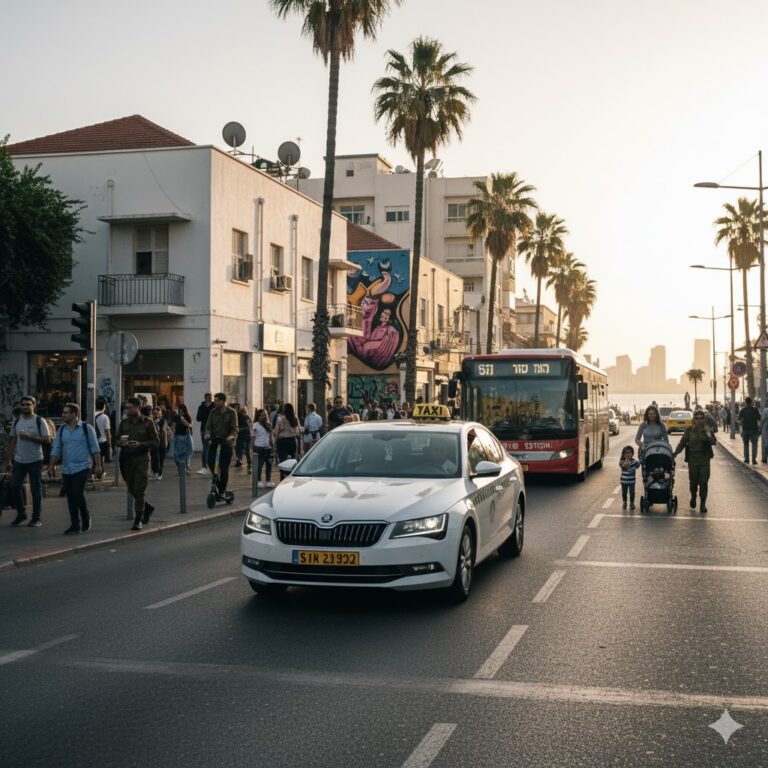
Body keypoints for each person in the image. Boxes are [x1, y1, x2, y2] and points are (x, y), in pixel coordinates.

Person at [49, 403, 102, 534]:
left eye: (66, 413)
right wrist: (51, 465)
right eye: (63, 412)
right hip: (67, 468)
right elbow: (56, 448)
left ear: (74, 414)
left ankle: (85, 516)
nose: (63, 415)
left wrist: (98, 465)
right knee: (70, 496)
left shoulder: (86, 428)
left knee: (77, 492)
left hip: (83, 467)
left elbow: (95, 448)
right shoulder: (62, 429)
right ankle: (75, 525)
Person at [5, 396, 51, 527]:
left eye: (28, 404)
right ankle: (21, 514)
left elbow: (47, 439)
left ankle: (36, 518)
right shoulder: (17, 421)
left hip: (35, 460)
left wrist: (30, 437)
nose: (25, 407)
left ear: (33, 406)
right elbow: (13, 440)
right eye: (23, 404)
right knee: (14, 487)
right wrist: (8, 460)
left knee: (36, 489)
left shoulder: (39, 420)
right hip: (19, 460)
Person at [118, 397, 159, 531]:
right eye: (127, 408)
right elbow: (116, 439)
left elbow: (155, 441)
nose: (129, 410)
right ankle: (147, 508)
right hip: (127, 458)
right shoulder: (124, 423)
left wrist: (141, 444)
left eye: (131, 408)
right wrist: (121, 443)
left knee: (139, 489)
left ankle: (138, 519)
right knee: (131, 489)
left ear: (138, 408)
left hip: (142, 458)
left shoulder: (147, 422)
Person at [673, 410, 717, 514]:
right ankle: (693, 496)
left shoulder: (707, 429)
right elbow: (682, 443)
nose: (699, 420)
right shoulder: (689, 430)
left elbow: (714, 442)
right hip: (692, 460)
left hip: (704, 460)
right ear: (694, 419)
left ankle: (702, 504)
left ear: (704, 419)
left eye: (701, 418)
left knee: (703, 482)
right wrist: (675, 453)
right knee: (693, 483)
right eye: (697, 418)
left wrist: (708, 433)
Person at [204, 392, 238, 498]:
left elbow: (234, 428)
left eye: (217, 400)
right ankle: (217, 486)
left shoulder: (231, 412)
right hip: (214, 442)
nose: (215, 402)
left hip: (226, 443)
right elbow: (208, 426)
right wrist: (208, 434)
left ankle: (222, 490)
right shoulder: (213, 412)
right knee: (210, 462)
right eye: (215, 400)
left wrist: (231, 436)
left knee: (224, 468)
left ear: (223, 401)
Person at [274, 403, 300, 478]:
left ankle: (283, 479)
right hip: (293, 440)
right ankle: (292, 477)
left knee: (283, 462)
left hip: (282, 441)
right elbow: (298, 432)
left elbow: (276, 432)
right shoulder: (295, 418)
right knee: (294, 461)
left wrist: (274, 443)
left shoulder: (280, 418)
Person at [252, 408, 274, 489]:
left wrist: (273, 446)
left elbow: (271, 436)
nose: (264, 417)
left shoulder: (269, 424)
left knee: (269, 464)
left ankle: (268, 480)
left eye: (265, 415)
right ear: (258, 416)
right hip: (259, 447)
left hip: (268, 447)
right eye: (262, 415)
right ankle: (258, 480)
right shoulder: (255, 425)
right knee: (259, 465)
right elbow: (253, 437)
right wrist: (252, 448)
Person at [196, 393, 214, 475]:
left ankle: (213, 467)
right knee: (205, 448)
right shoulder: (201, 406)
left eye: (210, 397)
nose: (209, 399)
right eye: (208, 397)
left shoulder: (214, 406)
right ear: (205, 398)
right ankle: (204, 467)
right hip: (204, 429)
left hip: (213, 430)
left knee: (212, 448)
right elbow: (198, 418)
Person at [172, 404, 194, 474]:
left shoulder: (187, 416)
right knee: (177, 455)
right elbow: (174, 426)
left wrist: (183, 420)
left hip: (185, 436)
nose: (180, 410)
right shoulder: (176, 417)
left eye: (181, 409)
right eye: (179, 409)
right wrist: (174, 431)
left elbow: (189, 425)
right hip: (178, 436)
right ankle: (181, 468)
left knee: (186, 453)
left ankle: (186, 468)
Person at [739, 397, 761, 464]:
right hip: (754, 429)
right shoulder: (755, 409)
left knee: (746, 445)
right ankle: (754, 460)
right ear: (751, 402)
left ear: (745, 402)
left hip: (745, 429)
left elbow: (739, 419)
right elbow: (759, 418)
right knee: (754, 445)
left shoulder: (743, 410)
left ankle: (747, 459)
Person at [150, 405, 169, 480]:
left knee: (160, 459)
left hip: (162, 443)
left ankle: (160, 474)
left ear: (160, 413)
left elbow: (164, 431)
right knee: (154, 459)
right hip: (154, 443)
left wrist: (165, 443)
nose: (156, 414)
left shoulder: (163, 421)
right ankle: (155, 473)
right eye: (154, 413)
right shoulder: (150, 421)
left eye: (157, 413)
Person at [619, 446, 640, 511]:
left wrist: (632, 464)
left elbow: (638, 465)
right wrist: (628, 464)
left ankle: (631, 503)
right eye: (626, 453)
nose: (628, 454)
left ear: (632, 453)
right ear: (623, 454)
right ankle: (624, 502)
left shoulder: (634, 461)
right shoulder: (621, 461)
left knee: (632, 493)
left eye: (629, 453)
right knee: (624, 493)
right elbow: (624, 466)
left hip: (632, 481)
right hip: (624, 481)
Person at [234, 405, 253, 473]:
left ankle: (246, 463)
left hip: (243, 436)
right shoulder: (246, 416)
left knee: (243, 450)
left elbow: (247, 426)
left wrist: (239, 430)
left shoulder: (241, 416)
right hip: (246, 435)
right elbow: (250, 425)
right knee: (245, 450)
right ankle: (248, 465)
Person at [95, 397, 112, 465]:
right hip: (102, 442)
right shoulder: (105, 417)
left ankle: (95, 472)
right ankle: (99, 473)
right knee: (101, 461)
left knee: (95, 461)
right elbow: (107, 431)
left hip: (93, 441)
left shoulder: (91, 414)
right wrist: (109, 444)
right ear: (104, 407)